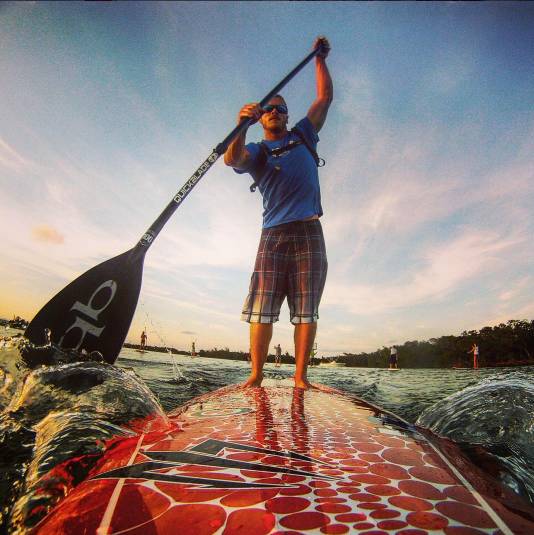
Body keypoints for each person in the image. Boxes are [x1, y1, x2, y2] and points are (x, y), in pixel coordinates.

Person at [224, 36, 333, 389]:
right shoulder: (256, 149)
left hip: (308, 231)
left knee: (306, 308)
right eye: (268, 108)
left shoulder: (303, 134)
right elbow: (232, 159)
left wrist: (320, 60)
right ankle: (256, 375)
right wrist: (239, 127)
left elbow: (324, 98)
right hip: (273, 235)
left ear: (287, 116)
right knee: (263, 306)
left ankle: (300, 378)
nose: (274, 111)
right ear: (260, 118)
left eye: (280, 108)